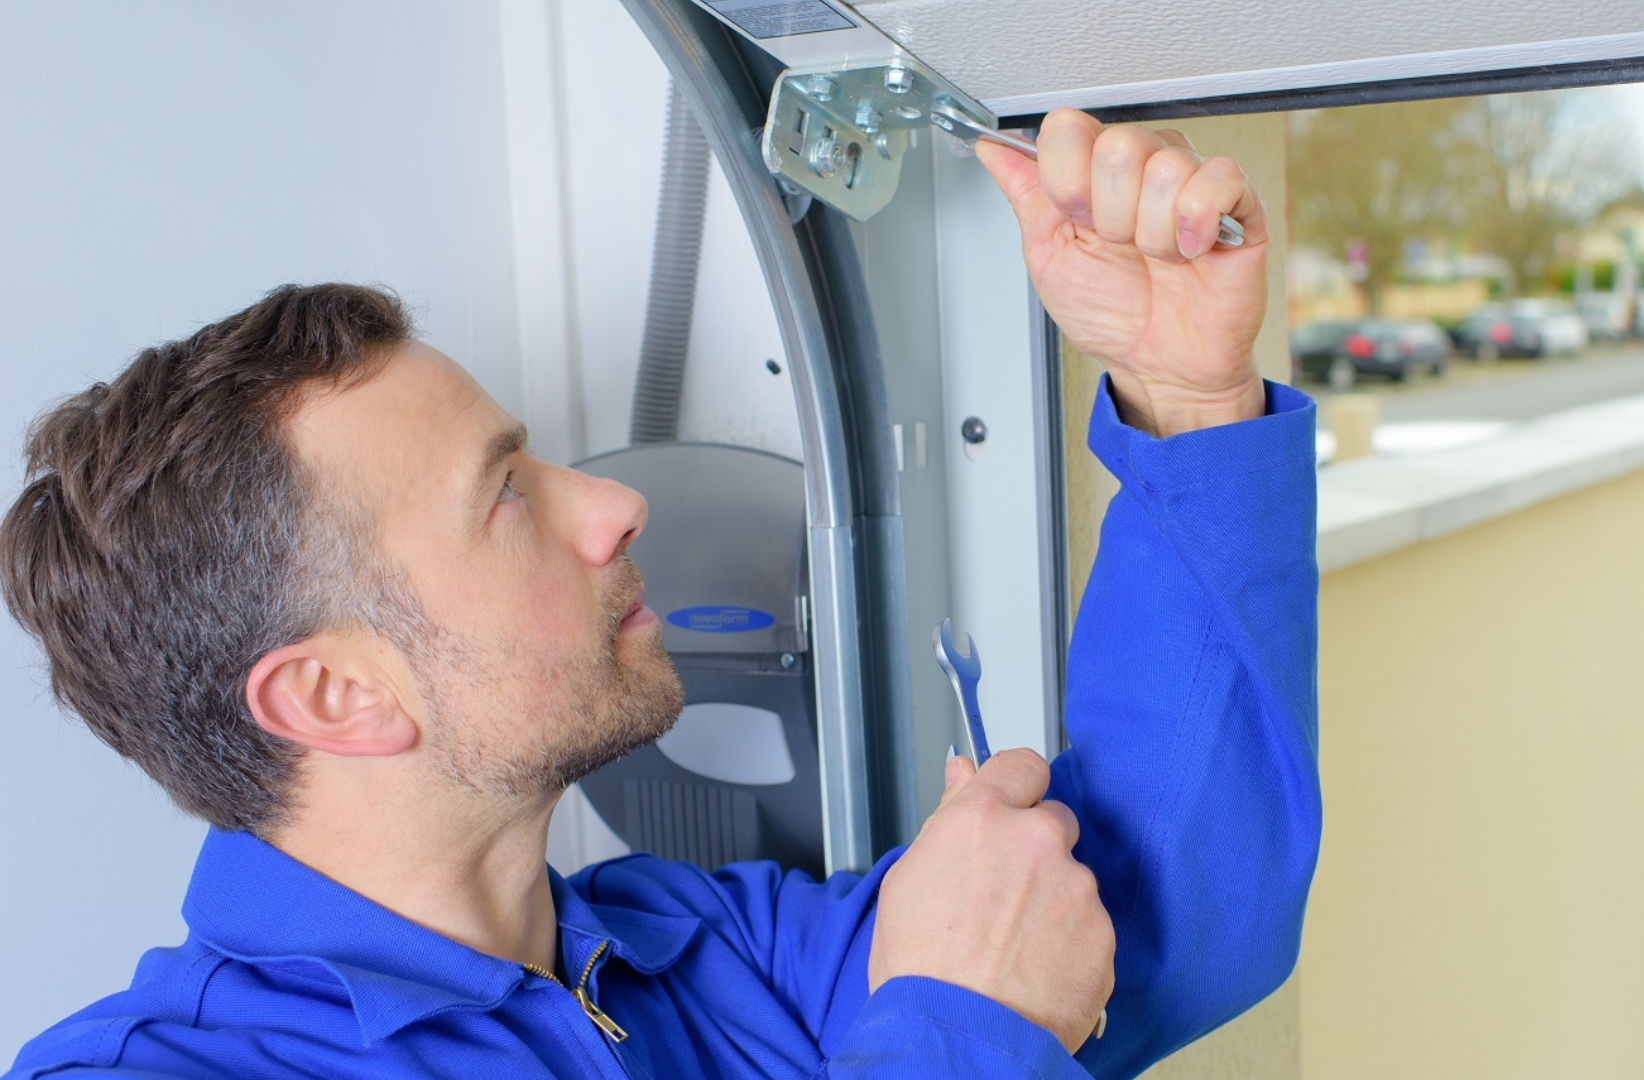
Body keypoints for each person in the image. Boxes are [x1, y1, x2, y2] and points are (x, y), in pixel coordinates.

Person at [3, 108, 1319, 1079]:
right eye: (506, 494)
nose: (617, 505)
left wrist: (1190, 395)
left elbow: (1165, 913)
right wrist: (958, 1034)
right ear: (340, 693)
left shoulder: (696, 950)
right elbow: (983, 1008)